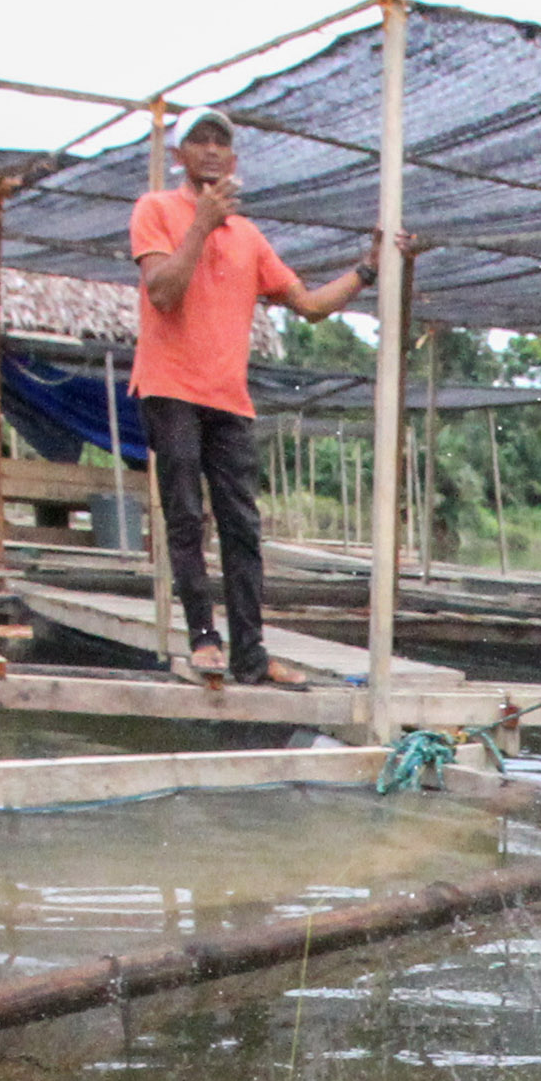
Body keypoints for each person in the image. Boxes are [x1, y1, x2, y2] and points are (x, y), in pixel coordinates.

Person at [132, 111, 372, 688]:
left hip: (228, 397)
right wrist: (201, 224)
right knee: (186, 510)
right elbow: (162, 293)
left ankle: (251, 653)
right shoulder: (156, 210)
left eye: (222, 143)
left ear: (233, 162)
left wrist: (368, 268)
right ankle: (203, 638)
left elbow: (310, 305)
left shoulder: (249, 237)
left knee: (242, 525)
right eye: (201, 141)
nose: (212, 151)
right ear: (182, 155)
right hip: (170, 386)